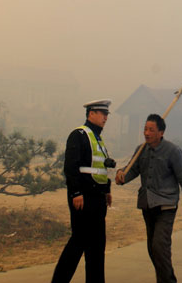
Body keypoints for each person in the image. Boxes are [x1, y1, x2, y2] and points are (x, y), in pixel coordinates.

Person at [115, 114, 182, 283]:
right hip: (147, 204)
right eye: (145, 129)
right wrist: (121, 175)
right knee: (153, 249)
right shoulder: (141, 149)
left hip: (166, 205)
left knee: (159, 246)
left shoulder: (173, 151)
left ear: (161, 132)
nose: (147, 133)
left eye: (151, 130)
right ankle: (166, 279)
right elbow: (132, 169)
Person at [52, 99, 115, 283]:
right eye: (102, 114)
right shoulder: (78, 134)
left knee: (97, 247)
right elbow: (71, 167)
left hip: (98, 198)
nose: (105, 118)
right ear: (91, 113)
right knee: (78, 243)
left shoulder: (99, 139)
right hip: (84, 198)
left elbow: (100, 169)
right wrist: (75, 193)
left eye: (106, 115)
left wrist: (107, 190)